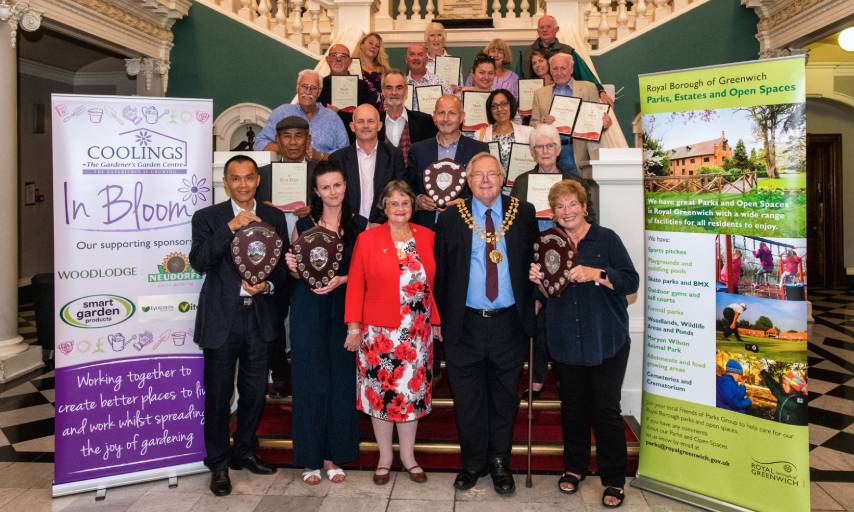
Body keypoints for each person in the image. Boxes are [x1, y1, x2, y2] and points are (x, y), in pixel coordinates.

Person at [528, 179, 638, 508]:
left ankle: (614, 479)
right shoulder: (547, 242)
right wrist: (537, 281)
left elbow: (630, 281)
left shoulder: (606, 238)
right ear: (553, 213)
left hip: (607, 339)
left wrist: (597, 274)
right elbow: (543, 297)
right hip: (565, 341)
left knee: (606, 411)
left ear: (584, 206)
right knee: (573, 409)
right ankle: (574, 469)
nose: (566, 211)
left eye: (572, 204)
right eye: (559, 207)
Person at [435, 152, 538, 496]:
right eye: (477, 175)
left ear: (503, 175)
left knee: (505, 399)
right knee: (468, 399)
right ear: (467, 179)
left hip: (509, 323)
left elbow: (534, 260)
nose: (484, 181)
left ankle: (499, 463)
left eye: (491, 174)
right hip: (465, 324)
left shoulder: (523, 213)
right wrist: (441, 321)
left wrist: (538, 290)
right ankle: (472, 463)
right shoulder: (452, 216)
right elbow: (442, 273)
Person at [189, 155, 290, 497]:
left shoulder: (274, 216)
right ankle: (217, 463)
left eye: (249, 178)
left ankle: (244, 449)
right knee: (218, 396)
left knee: (253, 392)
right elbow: (200, 261)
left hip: (259, 318)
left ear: (258, 180)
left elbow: (281, 267)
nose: (243, 184)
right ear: (226, 182)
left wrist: (268, 285)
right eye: (236, 179)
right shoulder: (208, 218)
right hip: (222, 319)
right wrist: (229, 228)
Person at [345, 180, 441, 486]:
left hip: (417, 333)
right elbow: (356, 283)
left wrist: (436, 320)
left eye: (405, 203)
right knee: (382, 395)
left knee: (410, 395)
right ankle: (385, 457)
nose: (400, 209)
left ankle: (409, 457)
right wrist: (354, 326)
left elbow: (433, 285)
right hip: (379, 334)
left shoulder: (427, 236)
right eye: (394, 203)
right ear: (383, 207)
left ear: (413, 207)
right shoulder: (368, 238)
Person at [284, 161, 368, 485]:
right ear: (316, 192)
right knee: (308, 380)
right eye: (325, 187)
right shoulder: (302, 224)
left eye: (337, 185)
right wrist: (292, 265)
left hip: (344, 307)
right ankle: (310, 458)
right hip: (308, 306)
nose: (332, 192)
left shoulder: (360, 226)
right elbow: (295, 272)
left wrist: (341, 279)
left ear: (345, 186)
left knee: (340, 381)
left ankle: (334, 456)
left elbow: (365, 273)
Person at [255, 116, 316, 398]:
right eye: (287, 137)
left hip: (313, 258)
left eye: (298, 136)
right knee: (274, 319)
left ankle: (308, 374)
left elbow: (337, 208)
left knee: (310, 320)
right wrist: (264, 210)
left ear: (308, 140)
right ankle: (279, 375)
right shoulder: (262, 176)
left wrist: (312, 211)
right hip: (274, 259)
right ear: (277, 142)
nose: (293, 142)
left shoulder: (320, 173)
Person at [409, 94, 489, 230]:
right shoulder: (418, 149)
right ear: (434, 117)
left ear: (462, 117)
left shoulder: (478, 150)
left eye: (452, 113)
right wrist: (418, 199)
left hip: (464, 227)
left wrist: (466, 204)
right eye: (441, 113)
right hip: (425, 229)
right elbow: (408, 185)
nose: (445, 119)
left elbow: (486, 190)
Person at [530, 52, 612, 179]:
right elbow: (533, 124)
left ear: (571, 69)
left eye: (563, 68)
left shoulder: (589, 88)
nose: (559, 72)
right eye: (555, 68)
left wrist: (604, 124)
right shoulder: (540, 93)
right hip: (550, 155)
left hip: (578, 153)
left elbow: (595, 121)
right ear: (550, 70)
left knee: (579, 194)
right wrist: (542, 123)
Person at [329, 104, 406, 224]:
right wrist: (362, 225)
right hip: (349, 228)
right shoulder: (337, 159)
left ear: (379, 126)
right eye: (360, 121)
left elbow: (400, 194)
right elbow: (334, 199)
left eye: (370, 121)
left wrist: (378, 226)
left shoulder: (394, 155)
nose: (365, 126)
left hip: (384, 228)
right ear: (352, 126)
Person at [519, 15, 613, 106]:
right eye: (541, 27)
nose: (545, 30)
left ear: (557, 29)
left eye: (548, 27)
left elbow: (584, 73)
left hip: (565, 102)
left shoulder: (568, 51)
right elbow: (518, 81)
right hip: (534, 104)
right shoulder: (525, 54)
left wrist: (601, 92)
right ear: (538, 31)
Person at [254, 70, 349, 159]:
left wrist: (321, 156)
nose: (308, 91)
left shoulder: (332, 117)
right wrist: (288, 148)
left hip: (322, 171)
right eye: (304, 86)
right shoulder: (282, 113)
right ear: (297, 88)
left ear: (319, 92)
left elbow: (345, 152)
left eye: (314, 88)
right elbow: (259, 143)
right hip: (288, 173)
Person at [317, 43, 382, 143]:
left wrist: (339, 113)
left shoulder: (362, 87)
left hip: (355, 143)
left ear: (350, 62)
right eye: (334, 55)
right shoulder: (318, 86)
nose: (338, 60)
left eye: (343, 56)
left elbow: (368, 117)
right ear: (327, 59)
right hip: (327, 142)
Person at [473, 89, 533, 187]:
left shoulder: (528, 133)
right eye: (494, 106)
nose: (499, 109)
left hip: (520, 187)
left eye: (504, 104)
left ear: (511, 106)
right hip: (490, 189)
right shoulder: (479, 135)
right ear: (490, 110)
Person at [380, 69, 438, 167]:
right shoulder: (374, 122)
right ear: (383, 91)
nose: (394, 92)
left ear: (406, 91)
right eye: (389, 88)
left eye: (399, 88)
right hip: (382, 182)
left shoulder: (425, 122)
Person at [406, 43, 452, 113]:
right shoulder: (400, 85)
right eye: (412, 54)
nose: (416, 58)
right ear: (406, 60)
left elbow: (451, 109)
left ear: (426, 60)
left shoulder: (441, 83)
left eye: (420, 54)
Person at [352, 32, 391, 101]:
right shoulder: (351, 67)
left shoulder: (384, 70)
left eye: (377, 46)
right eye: (370, 43)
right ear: (361, 45)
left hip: (381, 109)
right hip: (359, 109)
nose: (373, 47)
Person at [424, 21, 462, 85]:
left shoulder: (454, 62)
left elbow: (460, 88)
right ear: (427, 40)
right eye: (432, 35)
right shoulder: (421, 62)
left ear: (444, 39)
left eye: (439, 35)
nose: (436, 39)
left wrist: (457, 88)